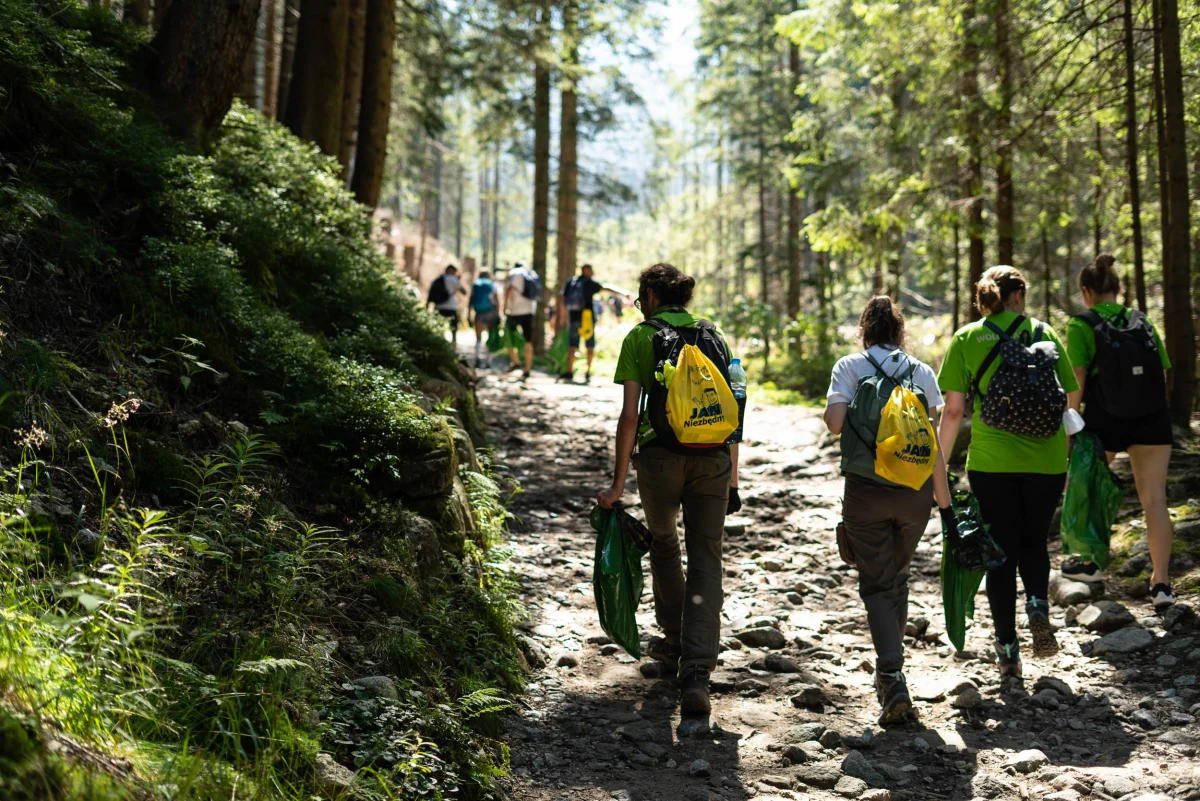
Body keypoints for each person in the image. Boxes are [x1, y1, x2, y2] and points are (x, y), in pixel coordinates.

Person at [597, 263, 741, 718]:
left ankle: (676, 643)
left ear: (652, 297)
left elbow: (629, 417)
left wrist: (618, 483)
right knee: (707, 559)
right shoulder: (714, 336)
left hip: (659, 460)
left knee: (664, 544)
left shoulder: (641, 338)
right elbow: (735, 406)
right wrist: (733, 476)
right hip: (714, 460)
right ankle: (697, 672)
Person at [936, 266, 1079, 679]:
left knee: (999, 552)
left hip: (991, 461)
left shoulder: (967, 337)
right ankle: (1037, 603)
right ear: (1018, 295)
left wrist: (939, 466)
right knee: (1034, 541)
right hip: (1047, 459)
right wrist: (1063, 457)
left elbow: (955, 410)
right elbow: (1070, 398)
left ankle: (1008, 649)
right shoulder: (1044, 332)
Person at [823, 296, 951, 726]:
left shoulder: (849, 367)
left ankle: (892, 677)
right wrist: (945, 503)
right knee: (897, 576)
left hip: (866, 491)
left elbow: (835, 423)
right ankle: (890, 670)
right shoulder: (922, 372)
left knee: (877, 584)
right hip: (914, 494)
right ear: (900, 333)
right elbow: (931, 443)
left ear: (865, 332)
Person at [1065, 254, 1175, 610]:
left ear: (1087, 291)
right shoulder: (1142, 322)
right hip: (1152, 417)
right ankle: (1161, 584)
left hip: (1104, 417)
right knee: (1155, 499)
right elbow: (1163, 372)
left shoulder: (1082, 324)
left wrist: (1072, 419)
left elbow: (1078, 374)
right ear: (1117, 288)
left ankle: (1090, 564)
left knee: (1091, 490)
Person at [559, 263, 629, 382]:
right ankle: (588, 371)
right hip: (587, 318)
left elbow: (563, 299)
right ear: (588, 271)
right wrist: (623, 293)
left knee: (573, 345)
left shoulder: (572, 282)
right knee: (590, 345)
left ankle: (570, 371)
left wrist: (562, 317)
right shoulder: (589, 283)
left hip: (574, 318)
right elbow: (606, 288)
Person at [504, 262, 538, 380]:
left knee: (508, 337)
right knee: (528, 340)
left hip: (515, 311)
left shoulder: (515, 273)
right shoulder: (531, 274)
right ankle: (527, 369)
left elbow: (510, 289)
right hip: (529, 311)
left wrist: (505, 306)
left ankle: (516, 361)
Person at [469, 270, 501, 369]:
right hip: (490, 312)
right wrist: (498, 314)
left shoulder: (476, 284)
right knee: (490, 336)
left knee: (478, 338)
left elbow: (471, 299)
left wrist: (468, 313)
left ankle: (477, 359)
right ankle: (488, 361)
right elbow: (497, 300)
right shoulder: (492, 285)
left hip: (479, 312)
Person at [427, 264, 467, 344]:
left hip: (438, 306)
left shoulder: (437, 279)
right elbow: (464, 292)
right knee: (453, 325)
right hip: (451, 306)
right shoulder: (453, 279)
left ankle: (438, 341)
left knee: (438, 325)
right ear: (452, 271)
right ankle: (453, 342)